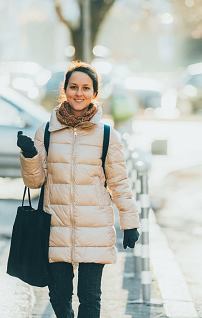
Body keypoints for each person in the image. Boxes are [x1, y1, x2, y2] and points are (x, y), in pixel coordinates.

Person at [16, 61, 140, 318]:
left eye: (86, 88)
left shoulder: (107, 135)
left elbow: (119, 183)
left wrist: (130, 223)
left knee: (90, 300)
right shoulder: (47, 132)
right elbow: (34, 182)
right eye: (73, 87)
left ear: (94, 93)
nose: (79, 93)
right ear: (65, 90)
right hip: (55, 228)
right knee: (60, 300)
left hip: (94, 229)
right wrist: (29, 156)